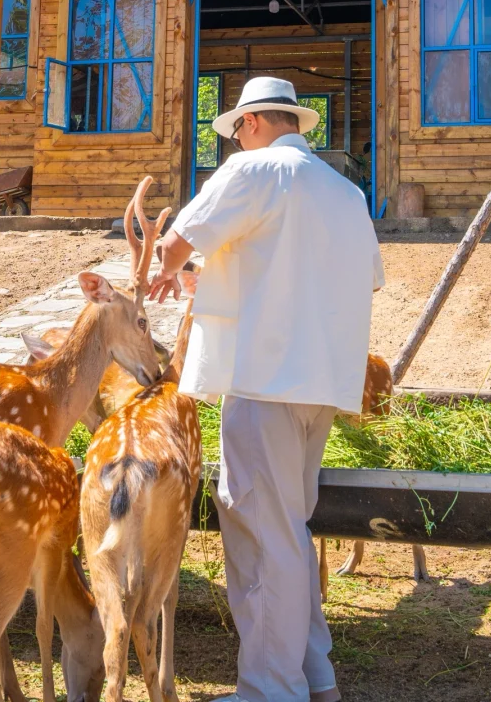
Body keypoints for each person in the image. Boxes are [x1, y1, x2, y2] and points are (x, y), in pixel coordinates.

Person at [148, 76, 384, 702]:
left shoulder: (252, 172)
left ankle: (270, 691)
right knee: (288, 529)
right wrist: (219, 281)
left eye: (235, 132)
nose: (236, 143)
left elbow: (177, 242)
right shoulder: (345, 192)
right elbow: (343, 279)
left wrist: (167, 273)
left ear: (251, 122)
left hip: (262, 381)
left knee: (266, 534)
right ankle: (314, 677)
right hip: (320, 386)